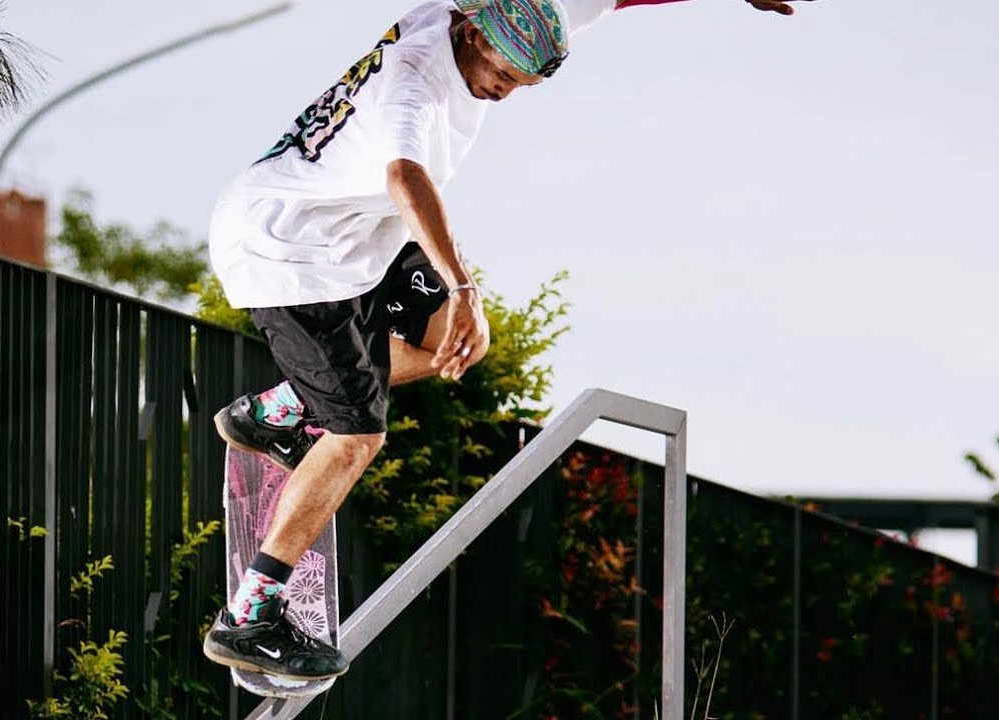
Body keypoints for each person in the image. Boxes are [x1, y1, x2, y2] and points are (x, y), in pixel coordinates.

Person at [201, 0, 808, 682]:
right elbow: (405, 178)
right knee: (357, 439)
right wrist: (462, 285)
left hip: (357, 236)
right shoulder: (413, 82)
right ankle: (250, 616)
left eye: (522, 83)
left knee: (456, 345)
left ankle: (279, 411)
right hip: (288, 248)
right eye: (499, 74)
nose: (503, 91)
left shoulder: (506, 12)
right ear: (469, 35)